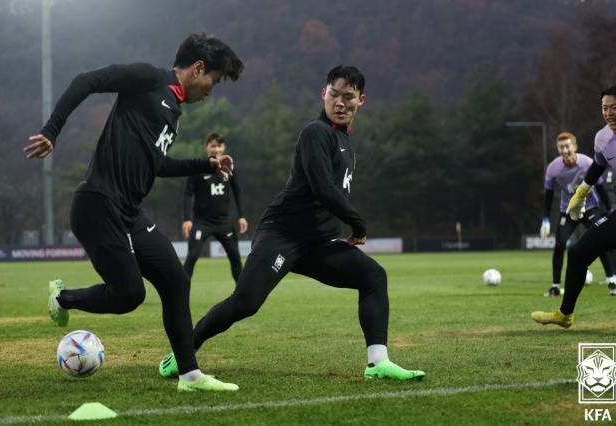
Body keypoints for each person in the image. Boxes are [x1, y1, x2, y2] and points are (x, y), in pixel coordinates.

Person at [158, 65, 425, 381]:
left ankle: (377, 363)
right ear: (323, 93)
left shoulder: (345, 140)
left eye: (348, 97)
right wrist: (358, 224)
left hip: (316, 245)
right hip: (281, 235)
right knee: (244, 303)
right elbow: (323, 189)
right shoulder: (316, 132)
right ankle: (182, 353)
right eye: (334, 94)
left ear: (361, 100)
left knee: (373, 277)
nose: (340, 102)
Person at [23, 32, 244, 392]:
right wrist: (52, 129)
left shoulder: (173, 112)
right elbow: (88, 80)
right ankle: (62, 297)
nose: (211, 91)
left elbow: (156, 165)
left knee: (176, 280)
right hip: (97, 204)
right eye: (213, 81)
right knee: (129, 295)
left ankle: (189, 376)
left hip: (128, 212)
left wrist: (207, 164)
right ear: (198, 68)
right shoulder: (150, 78)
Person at [532, 84, 616, 328]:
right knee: (577, 253)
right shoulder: (603, 138)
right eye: (604, 108)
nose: (608, 113)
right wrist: (582, 192)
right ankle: (565, 314)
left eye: (615, 107)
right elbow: (598, 165)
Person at [539, 132, 616, 297]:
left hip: (589, 207)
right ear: (558, 149)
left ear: (574, 147)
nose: (565, 150)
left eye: (568, 146)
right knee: (560, 245)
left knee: (600, 241)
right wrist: (546, 218)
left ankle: (611, 281)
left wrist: (610, 210)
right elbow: (548, 194)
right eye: (561, 147)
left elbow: (601, 187)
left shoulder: (587, 163)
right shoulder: (553, 168)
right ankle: (555, 286)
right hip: (568, 210)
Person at [182, 132, 247, 282]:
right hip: (201, 222)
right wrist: (187, 219)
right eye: (213, 146)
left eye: (219, 146)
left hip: (223, 222)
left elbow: (237, 190)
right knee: (192, 256)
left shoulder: (229, 166)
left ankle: (244, 295)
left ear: (223, 147)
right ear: (206, 147)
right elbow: (187, 194)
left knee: (236, 258)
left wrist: (242, 215)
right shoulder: (198, 166)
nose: (216, 150)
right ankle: (178, 294)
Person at [597, 164, 616, 283]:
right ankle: (610, 276)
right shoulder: (597, 170)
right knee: (602, 244)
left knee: (615, 242)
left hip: (613, 209)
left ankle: (615, 274)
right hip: (599, 210)